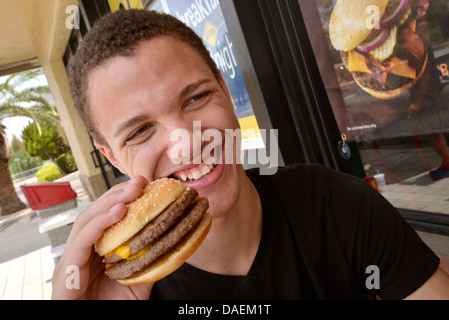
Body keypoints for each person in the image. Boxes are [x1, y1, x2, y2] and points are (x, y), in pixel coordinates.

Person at [51, 9, 449, 300]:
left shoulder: (335, 204)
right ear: (114, 158)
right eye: (140, 131)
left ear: (225, 91)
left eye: (196, 97)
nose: (187, 143)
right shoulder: (115, 288)